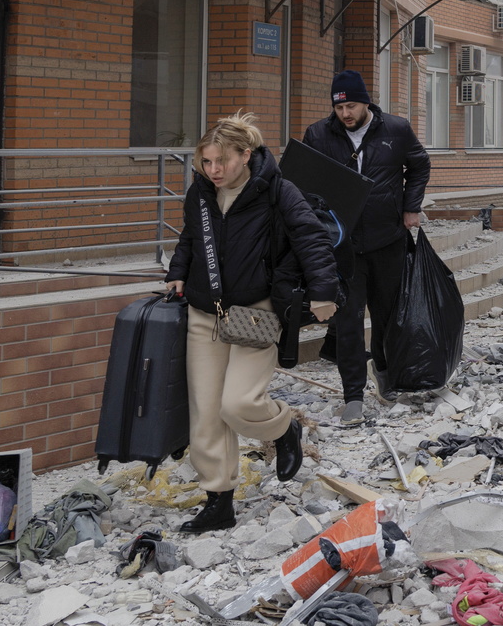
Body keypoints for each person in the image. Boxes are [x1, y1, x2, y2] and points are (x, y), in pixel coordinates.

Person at [165, 112, 338, 533]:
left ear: (246, 154)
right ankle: (218, 501)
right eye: (206, 162)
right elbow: (190, 238)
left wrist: (324, 292)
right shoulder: (202, 193)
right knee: (206, 414)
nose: (213, 170)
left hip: (256, 314)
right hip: (205, 313)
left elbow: (311, 238)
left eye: (221, 161)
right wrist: (177, 271)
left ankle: (284, 430)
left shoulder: (278, 191)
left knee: (238, 404)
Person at [303, 71, 431, 425]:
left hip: (387, 238)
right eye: (340, 106)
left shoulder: (396, 129)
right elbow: (304, 182)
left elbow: (419, 165)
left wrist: (410, 206)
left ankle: (388, 378)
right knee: (348, 320)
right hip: (342, 246)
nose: (346, 113)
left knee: (388, 314)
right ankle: (353, 396)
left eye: (352, 105)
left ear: (367, 102)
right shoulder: (318, 134)